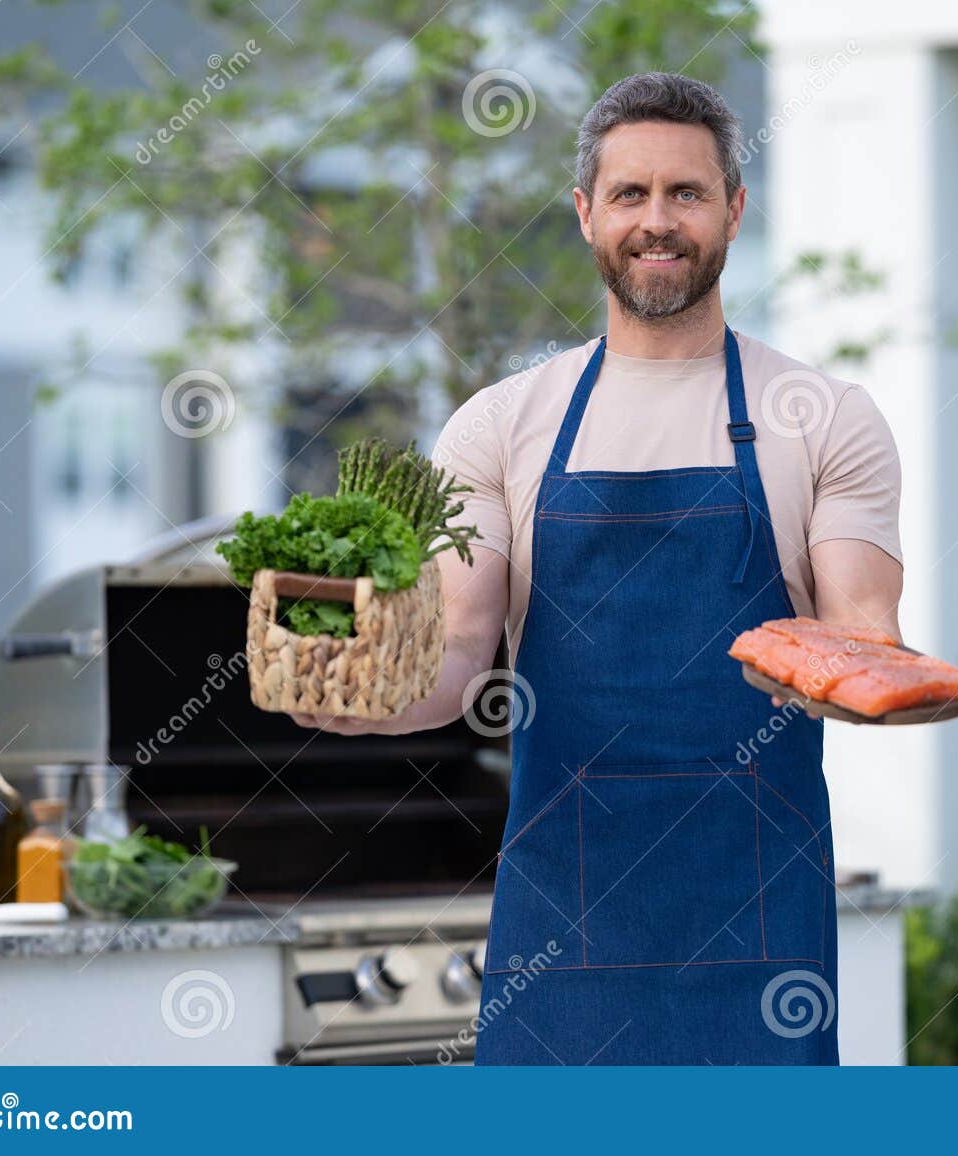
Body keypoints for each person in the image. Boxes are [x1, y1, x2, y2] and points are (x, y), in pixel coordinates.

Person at [293, 71, 902, 1065]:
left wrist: (868, 673)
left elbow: (861, 635)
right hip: (562, 931)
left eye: (686, 193)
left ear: (734, 210)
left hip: (757, 928)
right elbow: (456, 652)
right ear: (585, 214)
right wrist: (369, 699)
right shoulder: (500, 424)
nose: (656, 221)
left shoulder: (824, 418)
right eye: (629, 194)